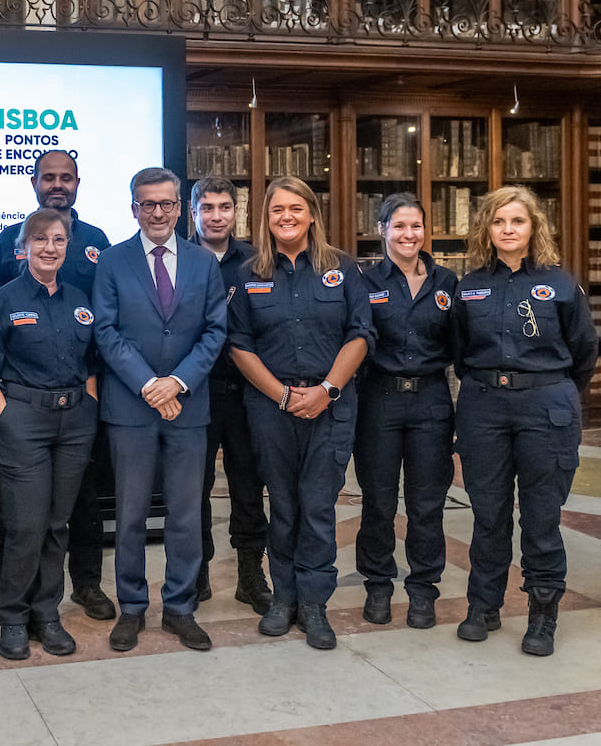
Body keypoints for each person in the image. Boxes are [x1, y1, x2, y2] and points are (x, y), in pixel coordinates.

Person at [226, 176, 373, 650]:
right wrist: (284, 396)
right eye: (276, 211)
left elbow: (361, 334)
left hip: (330, 406)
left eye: (295, 209)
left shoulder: (343, 268)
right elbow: (238, 345)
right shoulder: (250, 271)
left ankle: (313, 602)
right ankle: (282, 597)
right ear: (265, 218)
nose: (285, 218)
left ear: (312, 213)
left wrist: (327, 390)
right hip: (271, 408)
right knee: (283, 505)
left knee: (317, 505)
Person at [452, 186, 597, 656]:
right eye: (498, 222)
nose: (508, 229)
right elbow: (459, 353)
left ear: (534, 227)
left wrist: (553, 393)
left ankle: (542, 612)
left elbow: (585, 351)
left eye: (517, 221)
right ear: (486, 230)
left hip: (546, 406)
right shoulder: (469, 284)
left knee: (541, 516)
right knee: (488, 513)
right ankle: (483, 606)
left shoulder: (559, 283)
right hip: (484, 408)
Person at [92, 167, 226, 652]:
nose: (157, 212)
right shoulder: (111, 261)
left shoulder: (202, 262)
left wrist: (177, 383)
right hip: (131, 407)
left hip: (188, 409)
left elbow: (215, 331)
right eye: (147, 204)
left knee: (186, 514)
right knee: (129, 514)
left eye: (166, 204)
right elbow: (105, 331)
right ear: (134, 209)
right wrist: (150, 385)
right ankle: (131, 608)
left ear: (178, 208)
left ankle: (179, 607)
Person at [0, 150, 116, 624]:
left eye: (66, 178)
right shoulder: (7, 239)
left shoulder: (97, 241)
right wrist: (5, 411)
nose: (57, 184)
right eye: (48, 178)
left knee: (81, 504)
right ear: (33, 182)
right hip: (25, 407)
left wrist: (91, 401)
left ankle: (87, 585)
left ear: (78, 182)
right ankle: (5, 595)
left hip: (78, 404)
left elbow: (105, 321)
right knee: (18, 510)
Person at [0, 209, 100, 660]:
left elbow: (92, 365)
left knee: (55, 524)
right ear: (22, 248)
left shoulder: (82, 300)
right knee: (25, 525)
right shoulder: (4, 300)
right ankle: (12, 614)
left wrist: (89, 406)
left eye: (59, 240)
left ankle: (47, 613)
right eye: (41, 240)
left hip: (74, 424)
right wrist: (7, 417)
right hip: (22, 422)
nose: (50, 248)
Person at [353, 193, 457, 629]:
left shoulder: (448, 283)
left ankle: (423, 589)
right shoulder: (365, 282)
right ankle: (378, 584)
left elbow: (460, 345)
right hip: (379, 401)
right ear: (382, 230)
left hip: (432, 400)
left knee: (427, 503)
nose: (408, 235)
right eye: (399, 226)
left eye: (416, 226)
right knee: (378, 501)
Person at [188, 176, 272, 615]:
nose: (216, 216)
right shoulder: (179, 258)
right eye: (207, 208)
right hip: (194, 395)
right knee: (193, 489)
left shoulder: (259, 261)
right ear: (193, 212)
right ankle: (196, 573)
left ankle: (250, 574)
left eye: (224, 207)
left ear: (236, 212)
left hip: (247, 394)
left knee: (248, 485)